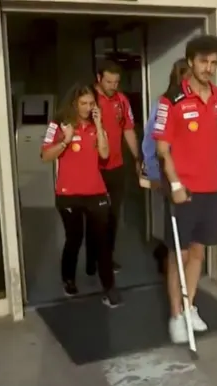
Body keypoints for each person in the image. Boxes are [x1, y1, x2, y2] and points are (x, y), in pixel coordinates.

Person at [152, 35, 217, 343]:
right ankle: (175, 315)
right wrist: (175, 184)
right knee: (178, 255)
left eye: (214, 63)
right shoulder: (171, 101)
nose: (208, 68)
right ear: (191, 61)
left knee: (198, 252)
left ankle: (189, 306)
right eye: (203, 61)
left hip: (210, 189)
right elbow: (162, 149)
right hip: (183, 190)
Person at [41, 83, 122, 308]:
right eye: (83, 103)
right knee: (74, 238)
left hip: (95, 191)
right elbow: (45, 156)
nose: (87, 107)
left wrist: (99, 124)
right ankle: (68, 278)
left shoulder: (97, 125)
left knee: (102, 241)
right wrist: (65, 140)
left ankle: (109, 287)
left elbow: (104, 154)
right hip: (68, 193)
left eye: (91, 103)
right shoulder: (58, 124)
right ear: (74, 104)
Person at [86, 60, 141, 276]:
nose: (113, 86)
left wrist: (138, 158)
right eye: (109, 82)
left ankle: (107, 258)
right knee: (95, 217)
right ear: (99, 78)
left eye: (116, 82)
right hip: (93, 169)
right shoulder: (89, 99)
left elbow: (128, 130)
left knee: (112, 216)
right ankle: (92, 259)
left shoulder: (122, 100)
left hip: (116, 167)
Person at [141, 58, 191, 275]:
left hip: (193, 173)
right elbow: (149, 143)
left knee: (189, 228)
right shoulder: (164, 103)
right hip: (171, 173)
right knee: (176, 228)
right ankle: (170, 267)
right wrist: (154, 174)